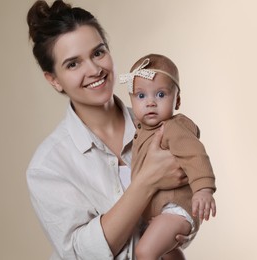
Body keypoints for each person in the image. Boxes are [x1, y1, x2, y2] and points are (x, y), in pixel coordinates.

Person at [26, 1, 192, 259]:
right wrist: (147, 180)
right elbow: (81, 254)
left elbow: (187, 199)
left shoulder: (160, 125)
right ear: (54, 80)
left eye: (98, 53)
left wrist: (185, 224)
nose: (94, 70)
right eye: (73, 64)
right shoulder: (48, 166)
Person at [119, 54, 217, 260]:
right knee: (168, 253)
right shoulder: (141, 130)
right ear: (131, 99)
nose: (151, 103)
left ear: (177, 100)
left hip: (176, 208)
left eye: (161, 95)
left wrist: (203, 189)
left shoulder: (173, 127)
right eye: (141, 96)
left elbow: (195, 154)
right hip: (161, 212)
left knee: (145, 252)